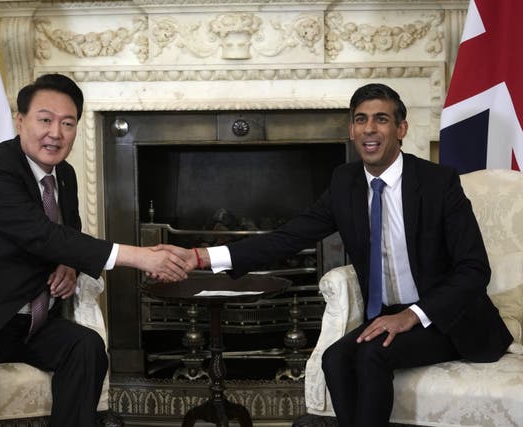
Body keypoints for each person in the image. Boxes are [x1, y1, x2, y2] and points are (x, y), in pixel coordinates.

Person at [158, 83, 513, 427]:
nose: (369, 129)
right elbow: (287, 237)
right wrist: (200, 257)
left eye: (381, 119)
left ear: (401, 128)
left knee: (373, 354)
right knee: (335, 358)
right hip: (387, 315)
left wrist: (412, 316)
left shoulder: (439, 183)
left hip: (446, 318)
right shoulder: (346, 182)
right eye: (360, 119)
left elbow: (473, 269)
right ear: (351, 129)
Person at [0, 73, 188, 427]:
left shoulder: (64, 175)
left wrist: (68, 264)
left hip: (26, 323)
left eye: (67, 123)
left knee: (86, 348)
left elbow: (67, 233)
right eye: (45, 120)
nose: (56, 132)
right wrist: (139, 256)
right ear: (20, 121)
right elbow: (39, 235)